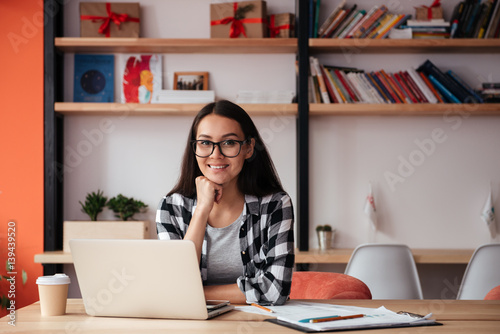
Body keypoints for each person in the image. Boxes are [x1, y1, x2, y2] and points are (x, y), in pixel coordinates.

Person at [156, 100, 294, 306]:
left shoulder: (274, 204)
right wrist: (202, 209)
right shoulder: (171, 207)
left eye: (229, 143)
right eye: (205, 143)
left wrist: (196, 294)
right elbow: (176, 280)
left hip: (255, 325)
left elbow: (275, 291)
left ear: (248, 148)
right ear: (194, 148)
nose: (215, 154)